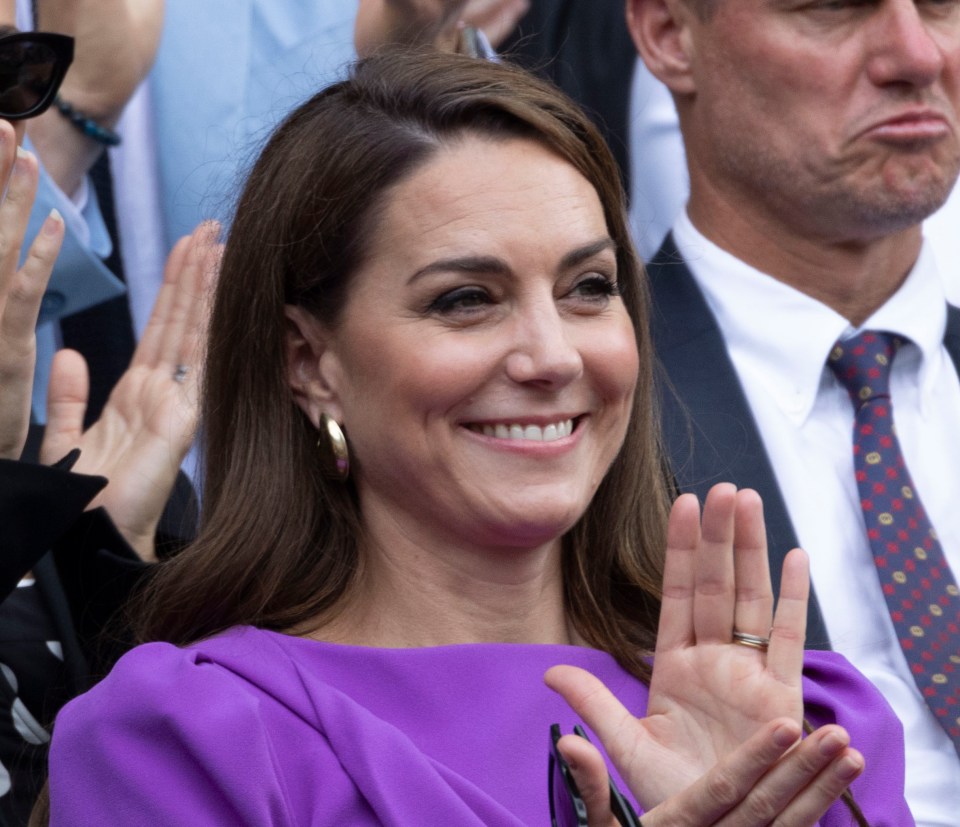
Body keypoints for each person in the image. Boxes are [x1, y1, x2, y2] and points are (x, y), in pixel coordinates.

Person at [47, 50, 910, 825]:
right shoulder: (187, 740)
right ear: (310, 362)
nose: (551, 354)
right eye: (465, 299)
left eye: (588, 287)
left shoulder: (806, 721)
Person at [625, 0, 960, 823]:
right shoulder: (581, 417)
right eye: (830, 8)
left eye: (943, 4)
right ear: (670, 35)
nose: (916, 54)